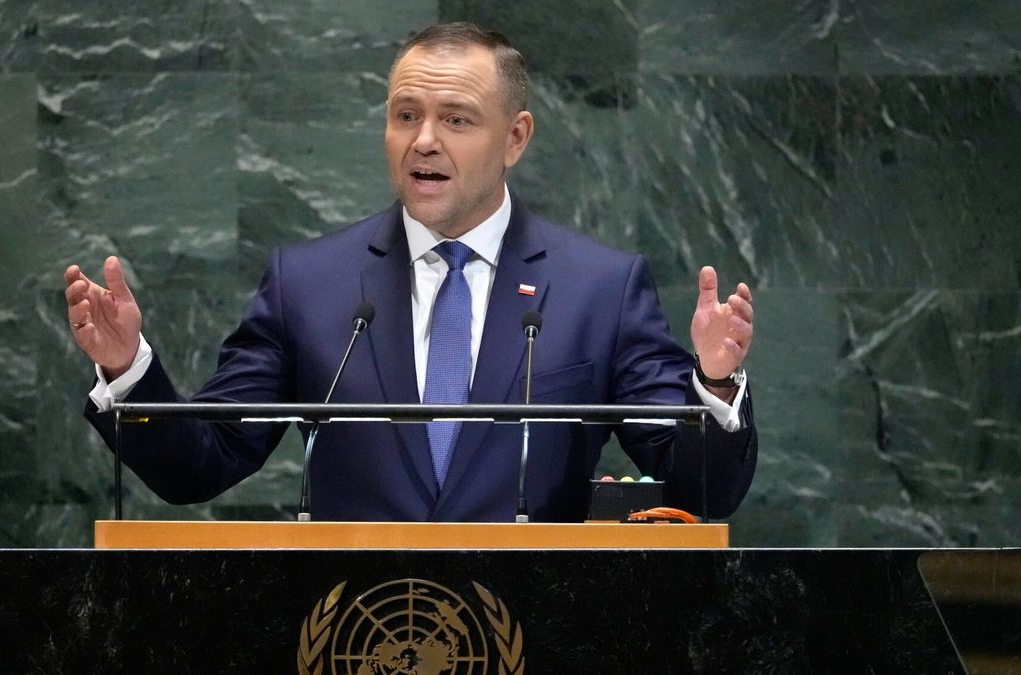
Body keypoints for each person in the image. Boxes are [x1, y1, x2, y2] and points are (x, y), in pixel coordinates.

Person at [64, 23, 757, 522]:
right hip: (352, 635)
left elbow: (695, 491)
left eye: (456, 118)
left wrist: (716, 383)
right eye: (406, 115)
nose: (424, 140)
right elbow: (202, 464)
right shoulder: (308, 284)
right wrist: (128, 369)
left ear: (515, 137)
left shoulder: (598, 290)